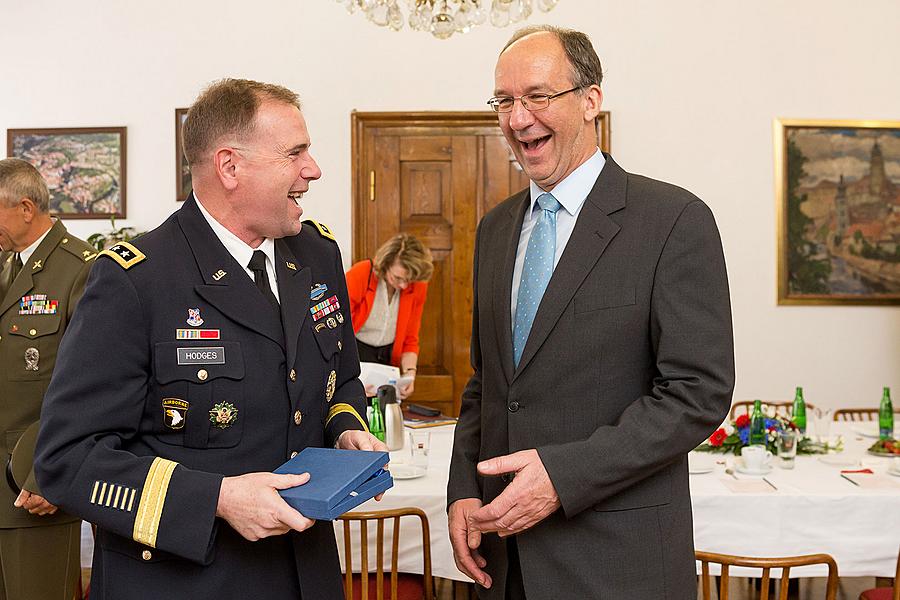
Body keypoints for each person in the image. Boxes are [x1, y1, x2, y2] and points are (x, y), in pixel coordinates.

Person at [34, 79, 385, 599]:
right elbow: (67, 459)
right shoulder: (136, 280)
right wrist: (217, 499)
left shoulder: (315, 254)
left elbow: (342, 380)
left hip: (304, 575)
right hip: (187, 580)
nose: (313, 170)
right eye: (295, 153)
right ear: (230, 167)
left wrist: (345, 433)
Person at [447, 26, 735, 599]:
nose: (517, 117)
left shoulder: (673, 220)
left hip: (617, 563)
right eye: (504, 101)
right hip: (505, 565)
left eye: (537, 96)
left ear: (590, 100)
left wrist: (562, 477)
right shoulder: (496, 229)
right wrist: (463, 491)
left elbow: (697, 393)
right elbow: (490, 384)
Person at [0, 157, 95, 599]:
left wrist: (48, 474)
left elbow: (88, 386)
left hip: (32, 483)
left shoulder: (82, 269)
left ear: (24, 208)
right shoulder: (6, 266)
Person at [345, 233, 432, 399]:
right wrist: (347, 377)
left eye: (409, 279)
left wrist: (410, 374)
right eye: (398, 278)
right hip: (355, 353)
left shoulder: (417, 286)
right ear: (386, 264)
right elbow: (337, 329)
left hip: (387, 360)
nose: (404, 285)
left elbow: (410, 339)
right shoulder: (362, 273)